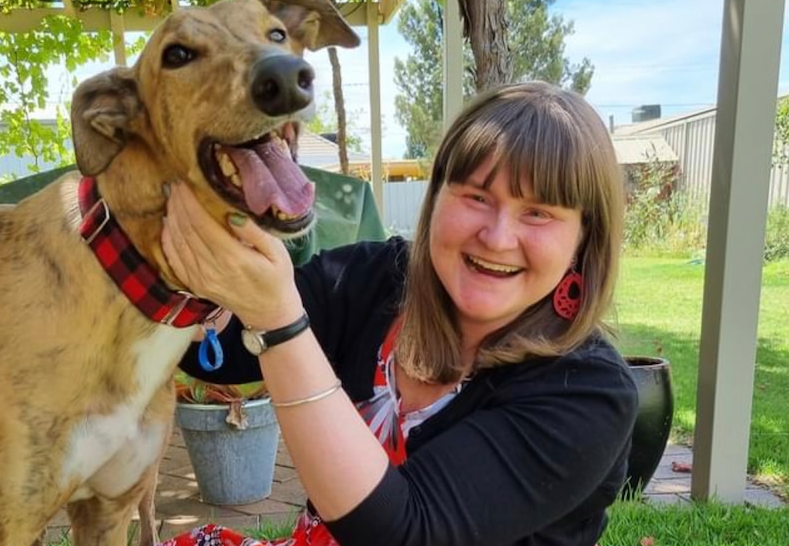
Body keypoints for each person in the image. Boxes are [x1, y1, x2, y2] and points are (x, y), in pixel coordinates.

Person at [159, 81, 639, 546]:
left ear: (583, 239)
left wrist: (279, 321)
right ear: (438, 198)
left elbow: (405, 531)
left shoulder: (589, 391)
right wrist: (201, 272)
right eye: (476, 197)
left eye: (538, 213)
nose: (496, 237)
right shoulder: (376, 279)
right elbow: (219, 354)